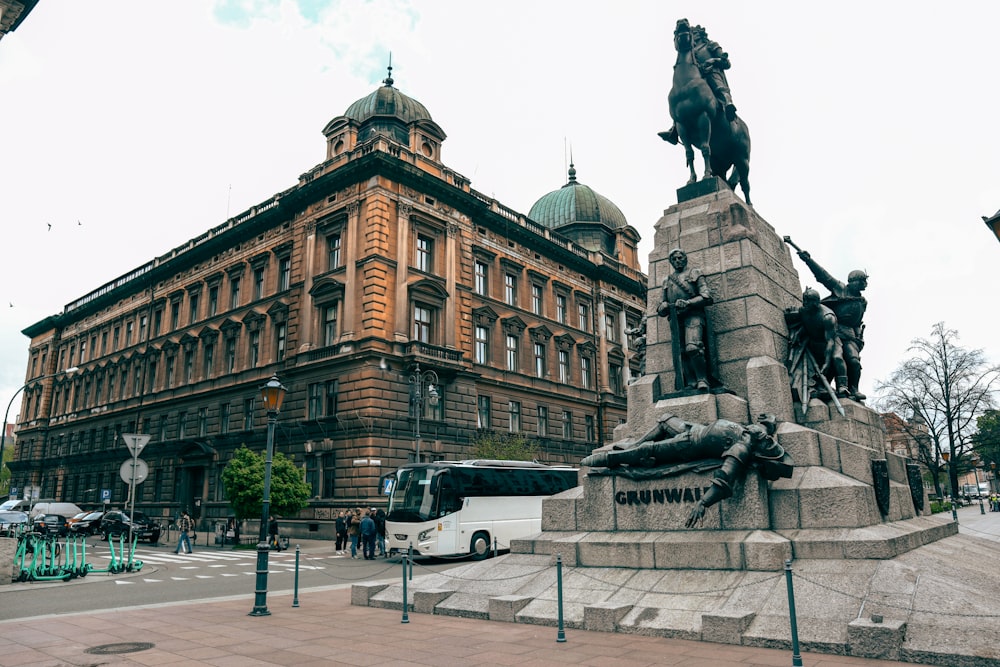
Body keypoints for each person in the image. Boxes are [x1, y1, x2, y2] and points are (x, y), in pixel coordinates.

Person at [581, 413, 792, 528]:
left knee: (647, 451)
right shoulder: (757, 433)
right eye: (767, 439)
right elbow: (768, 422)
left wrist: (702, 503)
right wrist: (769, 421)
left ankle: (612, 458)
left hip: (687, 446)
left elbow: (724, 479)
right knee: (665, 419)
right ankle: (634, 444)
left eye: (767, 443)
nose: (765, 438)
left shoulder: (741, 449)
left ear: (759, 451)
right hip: (692, 428)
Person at [790, 244, 868, 401]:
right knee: (835, 360)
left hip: (851, 335)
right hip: (834, 330)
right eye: (862, 281)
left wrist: (859, 336)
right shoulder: (840, 289)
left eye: (864, 282)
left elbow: (858, 322)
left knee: (853, 362)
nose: (864, 284)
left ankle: (854, 389)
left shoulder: (863, 301)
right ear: (853, 281)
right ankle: (839, 387)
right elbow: (823, 276)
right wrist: (808, 260)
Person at [661, 20, 738, 145]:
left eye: (695, 33)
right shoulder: (691, 49)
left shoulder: (711, 45)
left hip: (712, 72)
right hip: (698, 77)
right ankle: (675, 128)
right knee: (682, 93)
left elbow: (726, 63)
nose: (693, 35)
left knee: (717, 83)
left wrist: (713, 61)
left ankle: (728, 104)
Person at [657, 248, 713, 391]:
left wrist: (688, 303)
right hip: (675, 319)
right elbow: (661, 306)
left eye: (680, 257)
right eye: (674, 259)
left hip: (693, 315)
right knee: (681, 352)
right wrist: (663, 306)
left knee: (693, 347)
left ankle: (702, 379)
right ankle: (690, 381)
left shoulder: (694, 273)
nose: (677, 261)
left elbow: (706, 296)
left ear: (685, 258)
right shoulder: (667, 280)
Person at [786, 288, 850, 400]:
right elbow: (807, 325)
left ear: (816, 302)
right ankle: (819, 386)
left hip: (831, 342)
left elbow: (830, 341)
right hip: (814, 342)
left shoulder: (827, 317)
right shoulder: (804, 310)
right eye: (804, 300)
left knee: (837, 358)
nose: (804, 303)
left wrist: (827, 361)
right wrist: (798, 334)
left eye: (808, 301)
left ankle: (842, 386)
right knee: (816, 367)